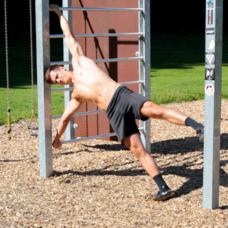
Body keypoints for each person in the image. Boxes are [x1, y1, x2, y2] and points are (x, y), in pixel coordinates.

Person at [47, 5, 204, 201]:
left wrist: (59, 13)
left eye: (57, 75)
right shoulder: (76, 96)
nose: (59, 80)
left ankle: (198, 128)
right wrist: (57, 139)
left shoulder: (79, 60)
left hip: (121, 95)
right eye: (55, 81)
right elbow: (65, 118)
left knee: (157, 111)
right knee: (137, 149)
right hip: (114, 114)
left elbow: (68, 34)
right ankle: (164, 188)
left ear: (61, 68)